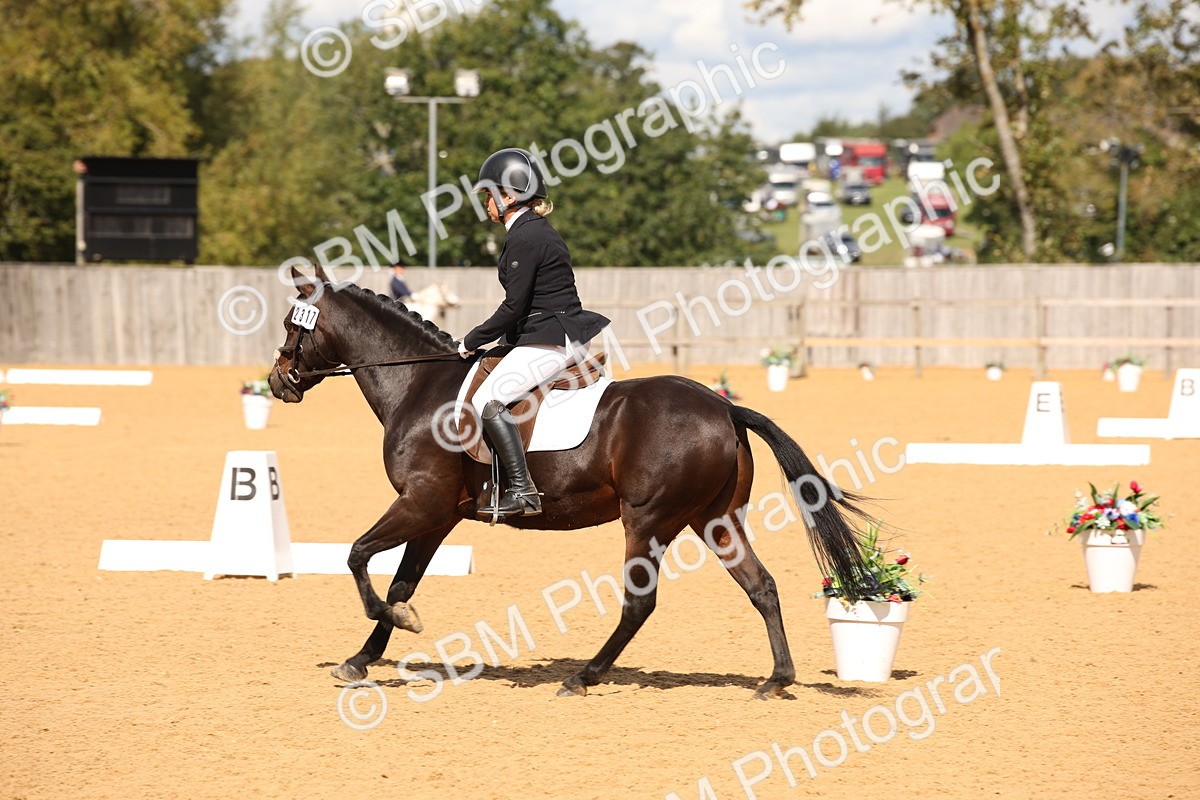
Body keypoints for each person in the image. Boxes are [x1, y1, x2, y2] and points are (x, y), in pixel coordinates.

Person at [458, 147, 610, 520]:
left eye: (489, 195)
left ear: (509, 196)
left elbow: (513, 307)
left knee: (487, 400)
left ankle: (523, 491)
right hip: (548, 332)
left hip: (551, 337)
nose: (486, 204)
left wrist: (470, 340)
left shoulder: (526, 238)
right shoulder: (529, 232)